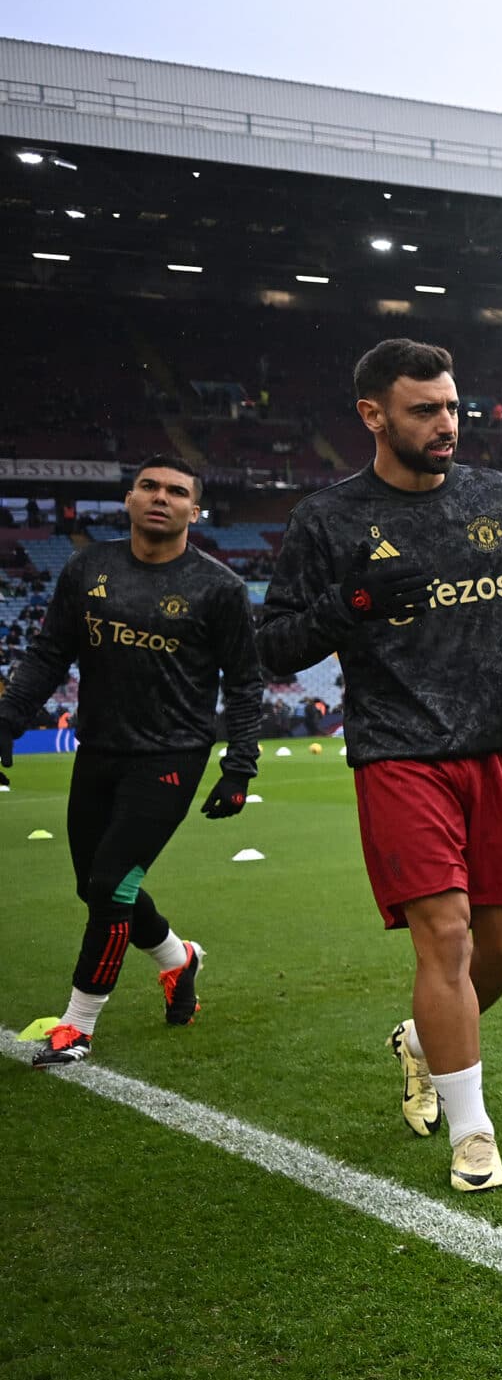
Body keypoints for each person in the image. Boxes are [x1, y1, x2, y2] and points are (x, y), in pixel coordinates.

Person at [258, 339, 502, 1194]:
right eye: (425, 410)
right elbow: (270, 644)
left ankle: (422, 1046)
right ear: (373, 415)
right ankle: (474, 1135)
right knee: (448, 934)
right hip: (397, 753)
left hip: (497, 750)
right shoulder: (329, 519)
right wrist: (351, 604)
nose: (447, 424)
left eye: (454, 406)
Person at [1, 458, 261, 1068]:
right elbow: (47, 654)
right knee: (91, 886)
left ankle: (78, 1026)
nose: (160, 498)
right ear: (128, 498)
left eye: (176, 492)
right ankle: (178, 958)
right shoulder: (88, 567)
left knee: (110, 885)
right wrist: (6, 723)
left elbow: (246, 685)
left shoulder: (218, 587)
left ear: (195, 510)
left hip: (171, 757)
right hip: (98, 750)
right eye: (149, 487)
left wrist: (240, 767)